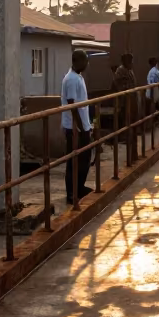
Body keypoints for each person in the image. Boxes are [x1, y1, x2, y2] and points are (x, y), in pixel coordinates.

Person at [61, 49, 94, 203]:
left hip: (83, 125)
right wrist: (80, 128)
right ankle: (71, 193)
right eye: (85, 61)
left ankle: (79, 187)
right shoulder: (71, 79)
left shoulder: (78, 77)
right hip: (74, 128)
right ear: (76, 61)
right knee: (74, 160)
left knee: (85, 158)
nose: (87, 64)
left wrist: (87, 126)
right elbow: (72, 105)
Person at [114, 52, 138, 157]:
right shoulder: (120, 72)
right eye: (130, 61)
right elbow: (121, 88)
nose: (132, 63)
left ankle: (134, 153)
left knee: (134, 127)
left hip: (133, 103)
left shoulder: (129, 70)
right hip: (126, 103)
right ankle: (130, 155)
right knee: (129, 128)